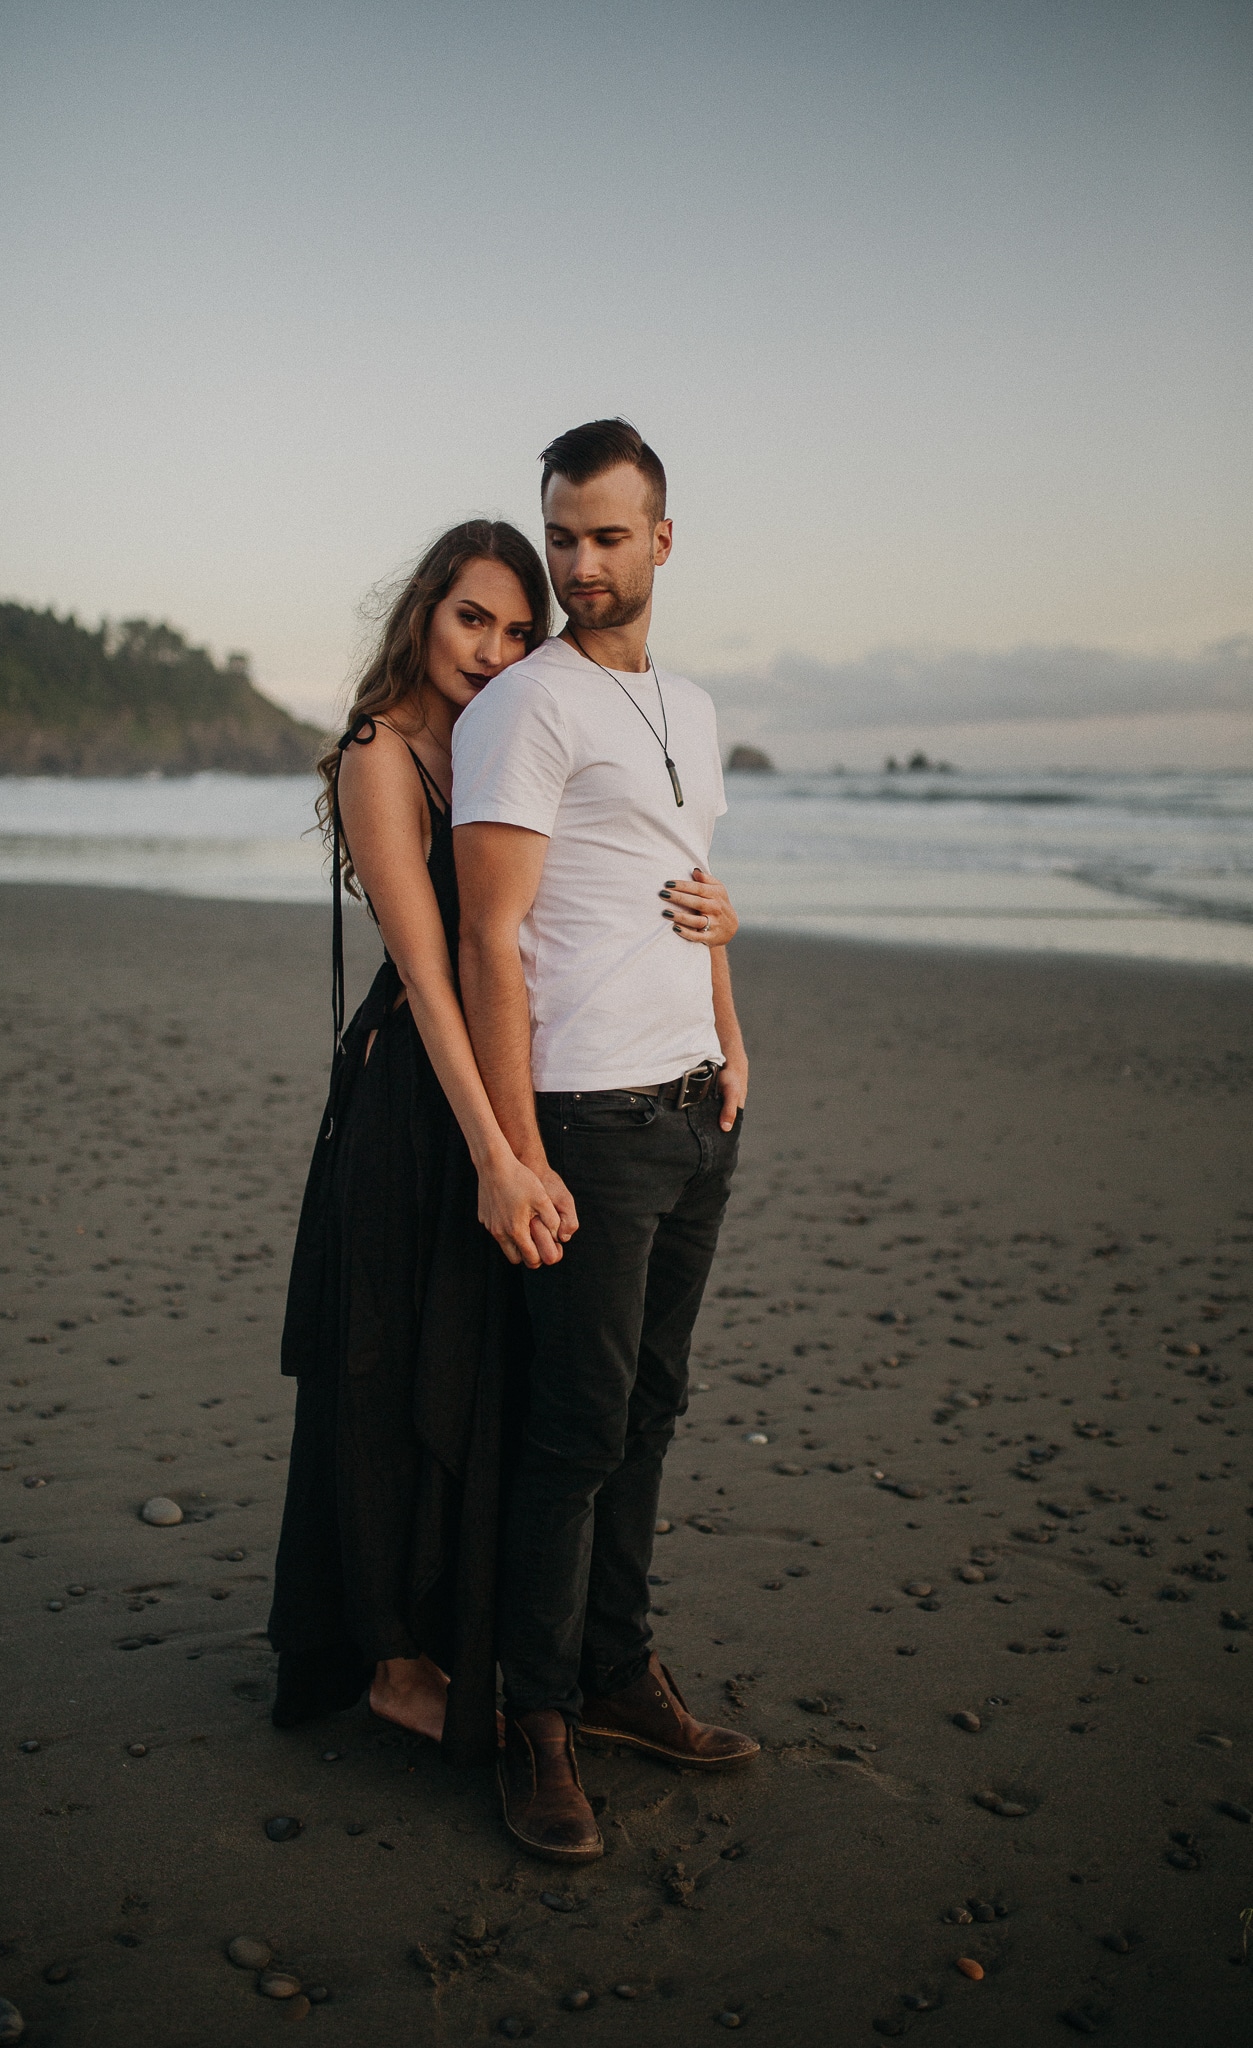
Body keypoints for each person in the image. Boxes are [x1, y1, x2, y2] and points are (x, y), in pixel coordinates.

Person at [453, 419, 759, 1862]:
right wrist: (510, 1153)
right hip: (589, 1122)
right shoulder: (527, 707)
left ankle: (619, 1670)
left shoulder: (688, 709)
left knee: (650, 1410)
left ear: (663, 539)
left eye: (607, 536)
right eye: (562, 536)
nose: (579, 564)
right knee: (574, 1430)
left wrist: (732, 1030)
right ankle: (535, 1721)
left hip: (695, 1110)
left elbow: (686, 880)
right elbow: (488, 942)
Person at [267, 519, 578, 1769]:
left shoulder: (494, 742)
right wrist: (497, 1146)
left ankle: (444, 1634)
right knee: (388, 1363)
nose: (493, 651)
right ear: (424, 610)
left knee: (471, 1356)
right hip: (415, 1096)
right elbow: (431, 966)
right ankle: (391, 1662)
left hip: (490, 1090)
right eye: (473, 620)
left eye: (518, 632)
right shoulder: (379, 751)